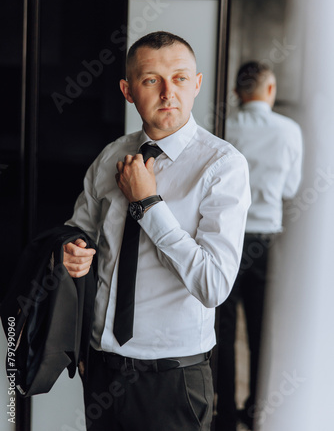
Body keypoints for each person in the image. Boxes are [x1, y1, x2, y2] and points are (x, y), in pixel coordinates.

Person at [62, 31, 251, 431]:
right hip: (102, 367)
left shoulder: (222, 166)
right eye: (151, 80)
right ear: (128, 90)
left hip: (172, 379)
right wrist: (71, 251)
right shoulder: (111, 155)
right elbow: (79, 231)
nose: (168, 92)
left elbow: (214, 285)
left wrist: (147, 205)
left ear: (197, 84)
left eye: (180, 78)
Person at [216, 61, 303, 431]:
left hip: (226, 240)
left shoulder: (224, 129)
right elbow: (290, 190)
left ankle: (223, 413)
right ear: (269, 91)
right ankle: (255, 410)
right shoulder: (289, 130)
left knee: (222, 325)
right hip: (265, 241)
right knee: (260, 327)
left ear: (236, 92)